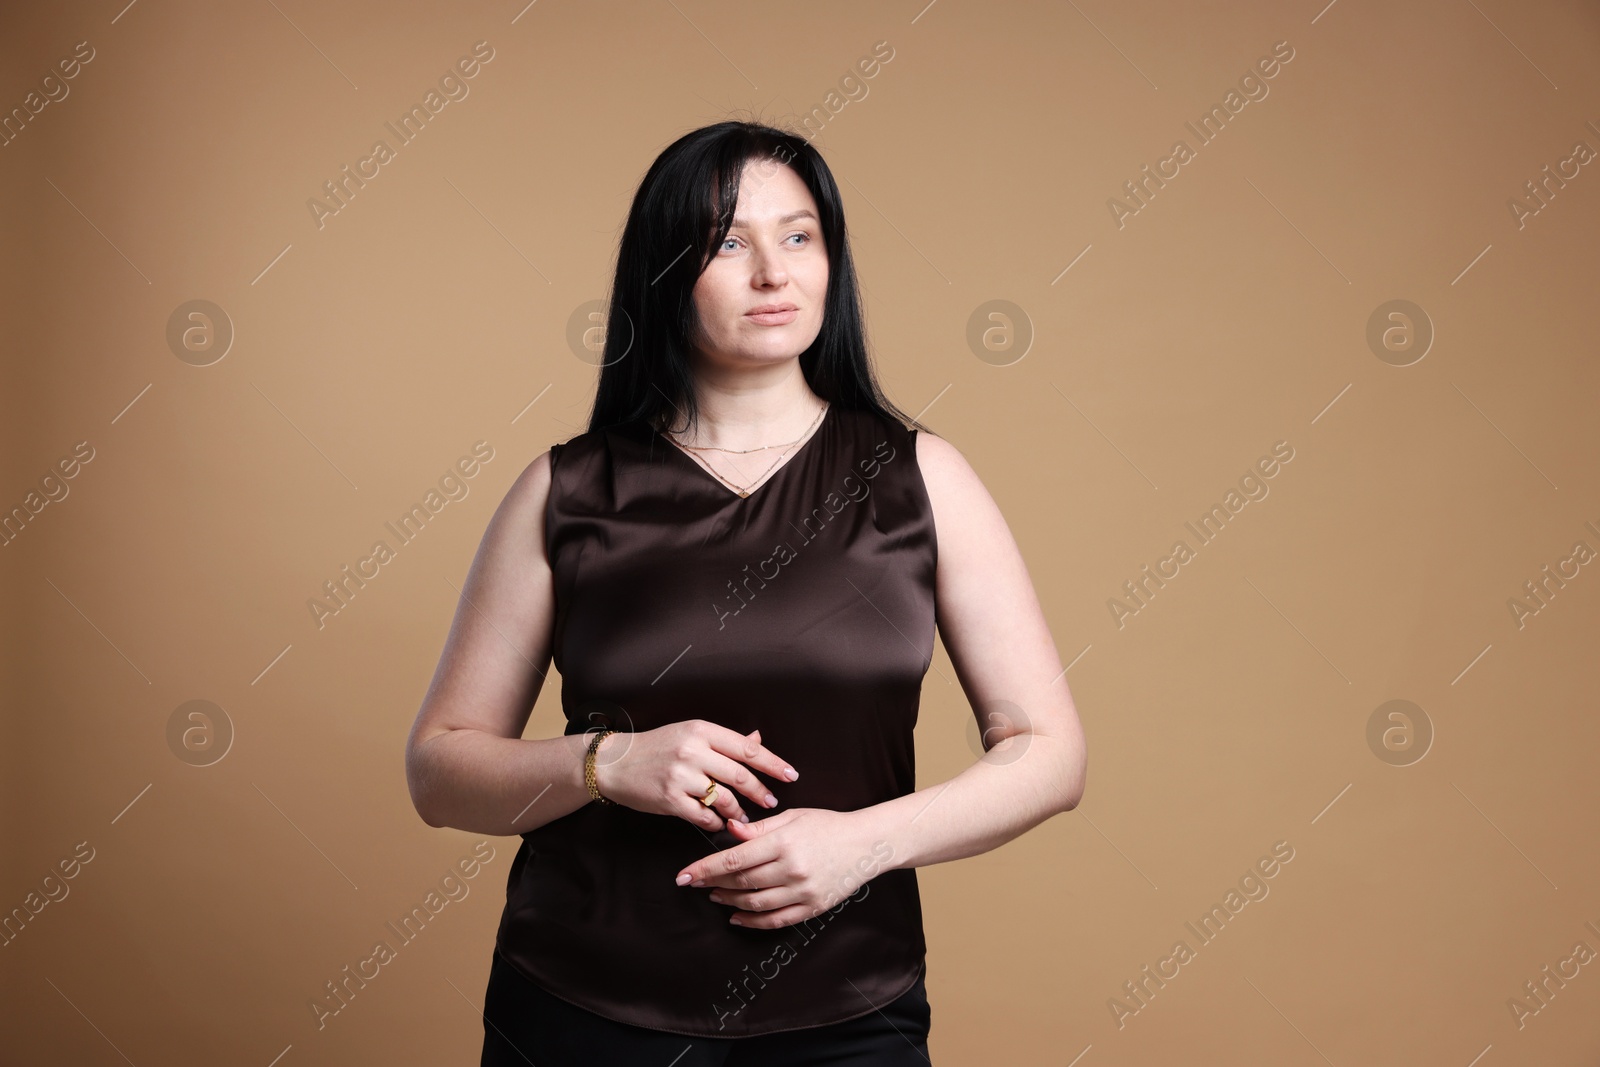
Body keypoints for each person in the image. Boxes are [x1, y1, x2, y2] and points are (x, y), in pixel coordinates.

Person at [404, 119, 1087, 1065]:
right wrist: (606, 761)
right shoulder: (565, 491)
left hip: (851, 1010)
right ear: (663, 271)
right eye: (729, 242)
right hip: (580, 1007)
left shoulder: (922, 477)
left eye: (798, 235)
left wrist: (866, 844)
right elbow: (438, 772)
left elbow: (1051, 754)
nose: (774, 272)